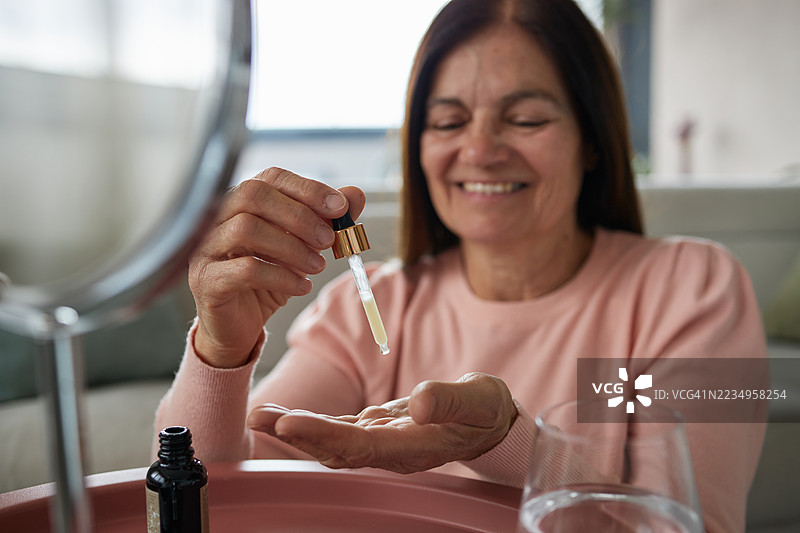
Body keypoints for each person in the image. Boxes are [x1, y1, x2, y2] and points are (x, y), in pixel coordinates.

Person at [155, 0, 766, 531]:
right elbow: (215, 493)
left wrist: (507, 442)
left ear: (594, 139)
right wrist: (220, 348)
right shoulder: (367, 307)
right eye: (448, 122)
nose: (480, 150)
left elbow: (687, 525)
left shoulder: (694, 288)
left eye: (526, 119)